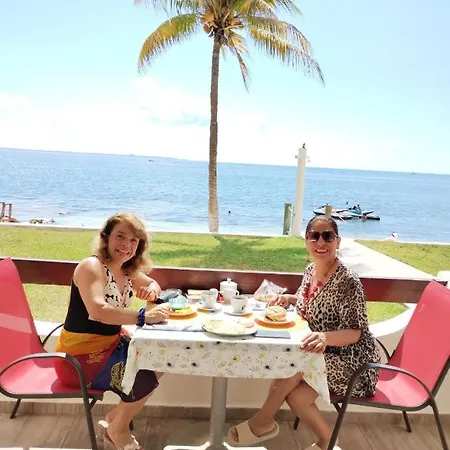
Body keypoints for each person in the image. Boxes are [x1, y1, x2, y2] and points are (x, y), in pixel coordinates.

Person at [228, 216, 380, 450]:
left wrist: (325, 337)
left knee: (295, 364)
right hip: (321, 354)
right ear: (307, 241)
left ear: (337, 241)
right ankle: (328, 441)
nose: (321, 242)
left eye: (327, 236)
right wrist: (288, 298)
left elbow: (355, 332)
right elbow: (308, 301)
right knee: (296, 393)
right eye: (314, 236)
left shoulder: (348, 281)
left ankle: (262, 421)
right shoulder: (311, 271)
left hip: (354, 362)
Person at [55, 212, 169, 450]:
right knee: (142, 373)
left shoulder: (125, 269)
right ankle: (118, 430)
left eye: (133, 240)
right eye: (120, 237)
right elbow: (98, 311)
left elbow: (152, 284)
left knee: (163, 357)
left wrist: (151, 291)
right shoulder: (91, 266)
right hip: (79, 358)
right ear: (106, 237)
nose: (126, 245)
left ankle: (116, 419)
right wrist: (142, 317)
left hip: (110, 345)